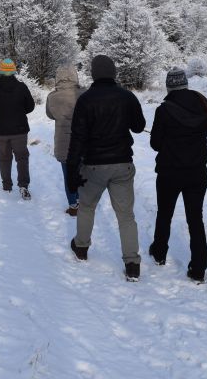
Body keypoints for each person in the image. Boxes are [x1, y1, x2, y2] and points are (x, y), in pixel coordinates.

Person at [66, 55, 146, 281]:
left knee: (87, 207)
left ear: (94, 74)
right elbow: (139, 127)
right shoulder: (127, 97)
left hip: (93, 166)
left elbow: (77, 138)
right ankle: (132, 264)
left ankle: (81, 248)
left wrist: (72, 170)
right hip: (122, 164)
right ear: (113, 73)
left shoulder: (85, 100)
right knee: (126, 216)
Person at [148, 67, 207, 283]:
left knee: (164, 213)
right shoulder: (203, 106)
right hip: (197, 173)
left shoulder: (163, 110)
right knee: (196, 219)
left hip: (169, 172)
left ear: (169, 86)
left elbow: (155, 144)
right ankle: (199, 268)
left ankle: (159, 253)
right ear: (185, 84)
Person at [0, 58, 35, 199]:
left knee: (4, 158)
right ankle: (23, 186)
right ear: (14, 71)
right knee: (22, 158)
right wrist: (19, 112)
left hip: (0, 130)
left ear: (1, 71)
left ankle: (6, 185)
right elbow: (30, 106)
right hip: (20, 129)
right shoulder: (22, 87)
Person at [45, 64, 84, 216]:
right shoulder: (83, 94)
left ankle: (73, 206)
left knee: (68, 176)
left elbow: (50, 115)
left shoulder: (52, 97)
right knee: (82, 173)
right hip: (82, 142)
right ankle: (83, 201)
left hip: (63, 144)